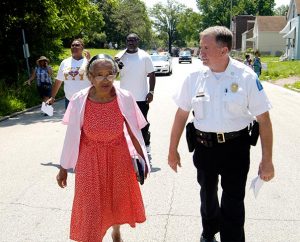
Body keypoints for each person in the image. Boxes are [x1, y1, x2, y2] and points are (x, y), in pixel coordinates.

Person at [168, 26, 274, 242]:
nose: (200, 53)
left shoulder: (246, 77)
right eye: (200, 47)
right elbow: (181, 115)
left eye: (205, 48)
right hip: (204, 146)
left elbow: (264, 119)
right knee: (207, 195)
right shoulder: (194, 77)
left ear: (224, 50)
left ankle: (232, 238)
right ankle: (209, 233)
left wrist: (267, 160)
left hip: (236, 147)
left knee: (233, 199)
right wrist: (172, 150)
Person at [56, 54, 150, 242]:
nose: (105, 79)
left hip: (119, 155)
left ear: (116, 75)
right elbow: (72, 136)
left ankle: (116, 231)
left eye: (110, 74)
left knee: (116, 198)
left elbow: (134, 130)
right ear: (90, 77)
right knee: (90, 204)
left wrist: (142, 158)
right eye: (99, 74)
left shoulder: (125, 97)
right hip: (89, 157)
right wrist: (63, 167)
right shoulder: (78, 100)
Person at [115, 33, 156, 160]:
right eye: (128, 40)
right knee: (124, 123)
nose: (130, 42)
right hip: (124, 97)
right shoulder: (119, 56)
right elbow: (113, 74)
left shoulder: (144, 56)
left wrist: (151, 92)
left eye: (133, 40)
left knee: (142, 123)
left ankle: (146, 145)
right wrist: (116, 65)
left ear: (138, 41)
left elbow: (152, 75)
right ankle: (127, 147)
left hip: (141, 97)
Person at [46, 38, 91, 109]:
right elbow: (58, 81)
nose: (74, 47)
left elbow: (95, 79)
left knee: (86, 120)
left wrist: (89, 62)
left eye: (77, 45)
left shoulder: (88, 62)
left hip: (86, 100)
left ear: (82, 48)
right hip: (70, 100)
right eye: (72, 45)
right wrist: (52, 97)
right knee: (71, 120)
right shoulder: (65, 62)